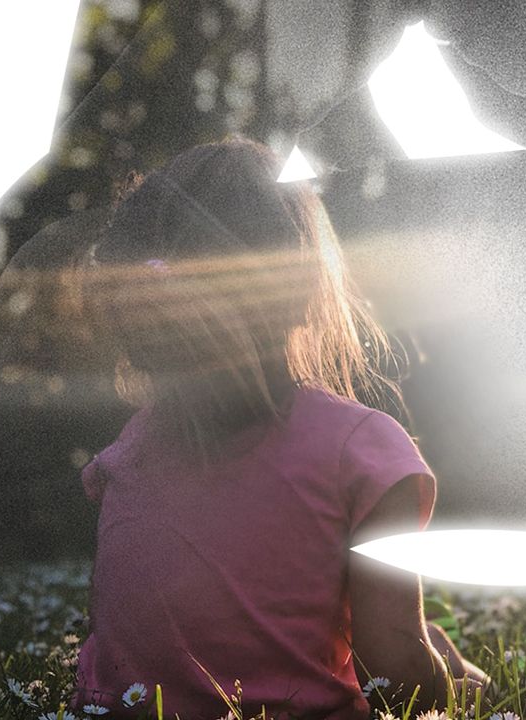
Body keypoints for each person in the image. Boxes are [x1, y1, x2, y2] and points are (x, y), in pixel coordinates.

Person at [73, 138, 486, 720]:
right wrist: (457, 692)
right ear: (301, 292)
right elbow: (394, 667)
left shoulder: (127, 454)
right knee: (437, 659)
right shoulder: (359, 452)